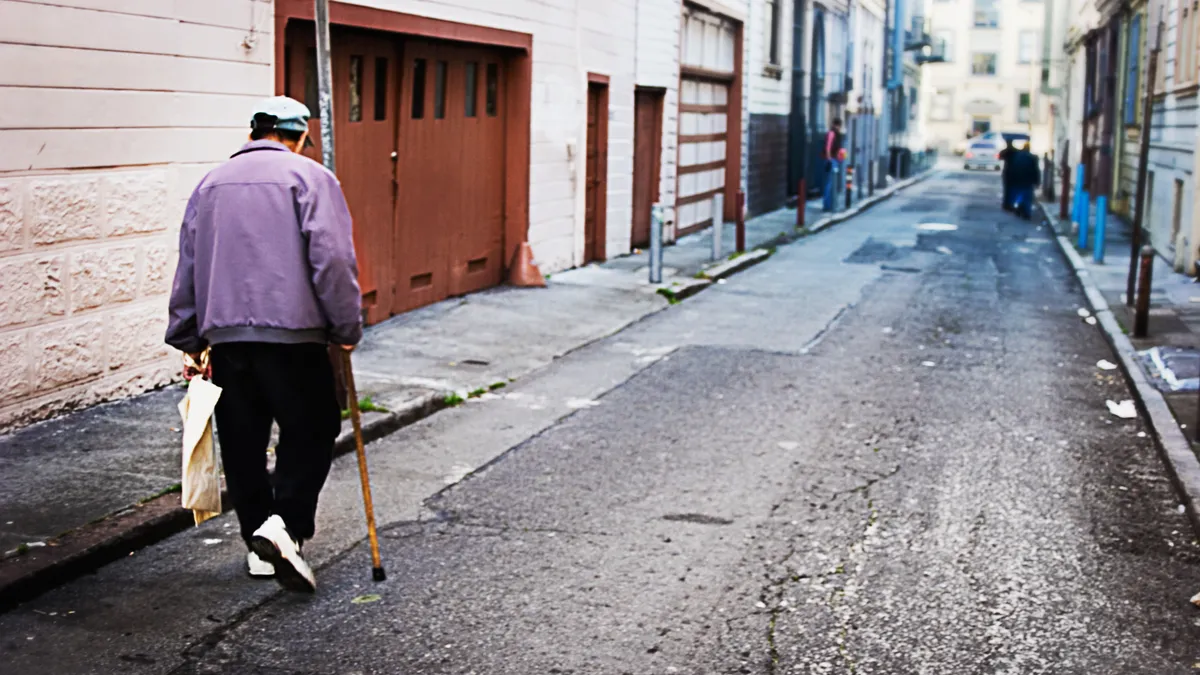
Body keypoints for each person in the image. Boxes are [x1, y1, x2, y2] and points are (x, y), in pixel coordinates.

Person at [165, 96, 362, 593]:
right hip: (294, 337)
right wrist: (346, 327)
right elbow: (333, 260)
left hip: (228, 340)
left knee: (244, 443)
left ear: (253, 132)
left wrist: (188, 336)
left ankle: (258, 540)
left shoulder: (208, 184)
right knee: (313, 428)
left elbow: (189, 262)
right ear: (297, 137)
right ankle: (284, 525)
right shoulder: (311, 178)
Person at [1008, 142, 1041, 219]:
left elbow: (1012, 168)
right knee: (1027, 197)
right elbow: (1035, 170)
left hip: (1017, 180)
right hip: (1028, 181)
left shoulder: (1016, 156)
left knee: (1018, 195)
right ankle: (1026, 212)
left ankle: (1018, 208)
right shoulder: (1032, 157)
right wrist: (1037, 181)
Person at [823, 119, 845, 212]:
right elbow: (828, 147)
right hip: (832, 159)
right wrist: (829, 159)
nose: (838, 128)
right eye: (838, 125)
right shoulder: (832, 133)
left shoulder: (836, 134)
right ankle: (827, 205)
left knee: (832, 183)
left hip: (835, 159)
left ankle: (831, 204)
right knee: (830, 183)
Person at [999, 139, 1017, 211]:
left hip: (1008, 171)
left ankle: (1007, 204)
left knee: (1008, 189)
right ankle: (1010, 204)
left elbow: (1000, 156)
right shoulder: (1015, 151)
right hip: (1013, 171)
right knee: (1011, 189)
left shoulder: (1006, 151)